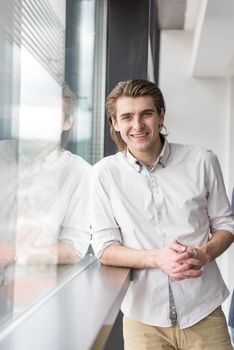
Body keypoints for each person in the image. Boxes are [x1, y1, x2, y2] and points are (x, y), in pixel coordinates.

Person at [91, 79, 234, 349]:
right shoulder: (103, 175)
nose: (137, 125)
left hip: (204, 310)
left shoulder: (203, 161)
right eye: (127, 117)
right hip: (143, 320)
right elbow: (105, 248)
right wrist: (158, 259)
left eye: (146, 113)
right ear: (115, 124)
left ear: (161, 115)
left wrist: (204, 253)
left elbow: (226, 224)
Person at [0, 83, 91, 272]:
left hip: (32, 285)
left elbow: (74, 248)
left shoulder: (78, 172)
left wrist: (17, 253)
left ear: (67, 122)